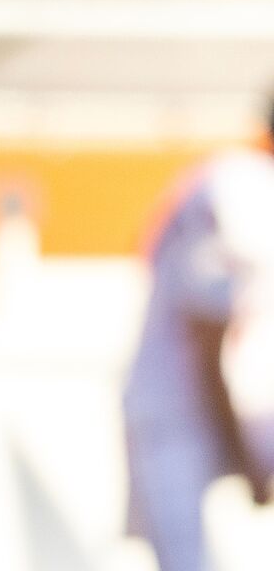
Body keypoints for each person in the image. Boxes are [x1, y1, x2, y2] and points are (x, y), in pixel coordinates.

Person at [123, 99, 274, 571]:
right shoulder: (241, 187)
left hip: (196, 402)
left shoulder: (226, 177)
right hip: (180, 409)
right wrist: (247, 457)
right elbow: (204, 340)